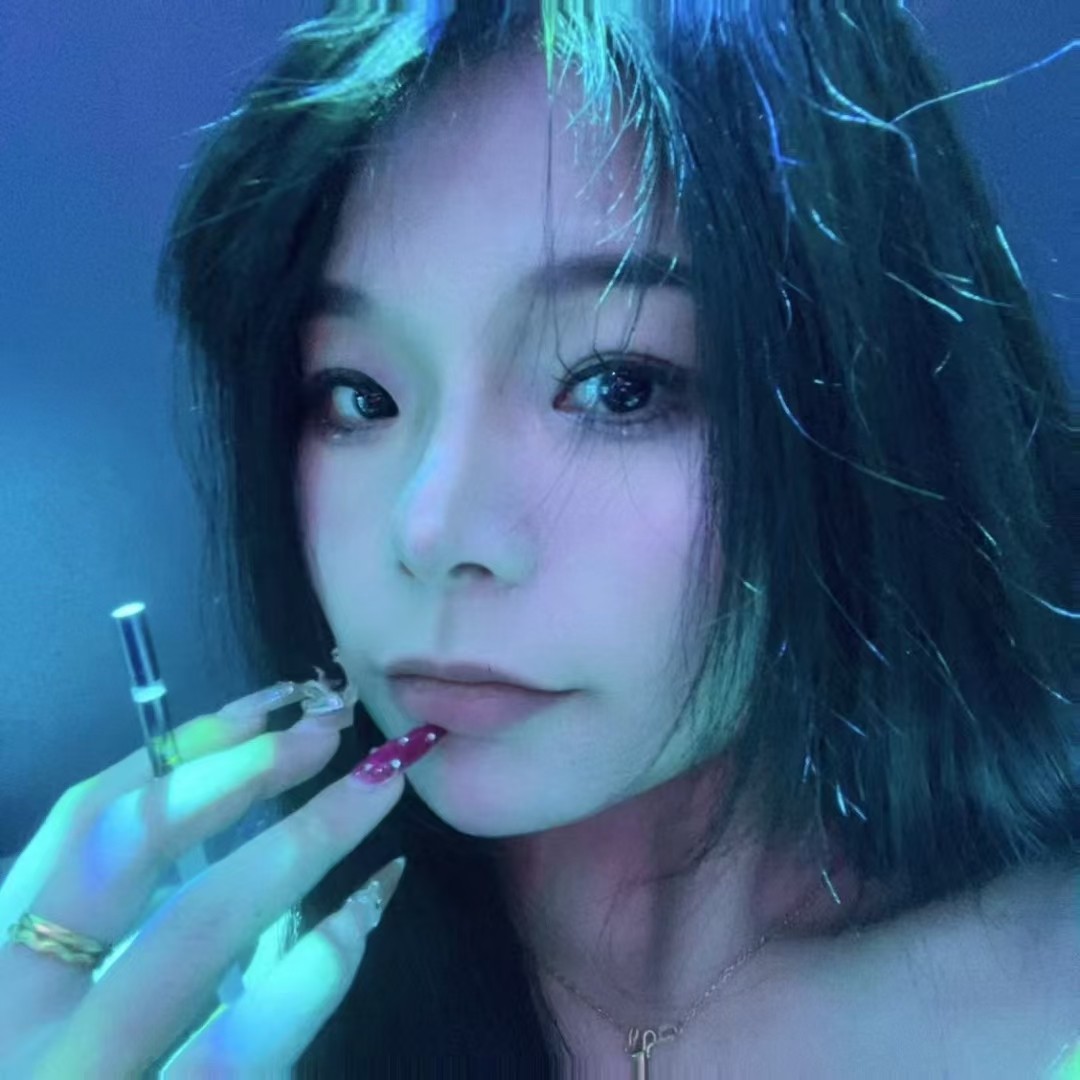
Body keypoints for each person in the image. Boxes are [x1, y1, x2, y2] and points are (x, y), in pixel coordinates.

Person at [2, 1, 1077, 1075]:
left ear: (866, 401)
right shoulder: (215, 1013)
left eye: (618, 385)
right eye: (358, 395)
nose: (431, 532)